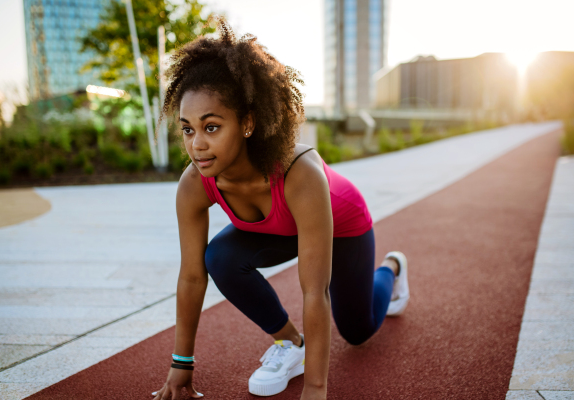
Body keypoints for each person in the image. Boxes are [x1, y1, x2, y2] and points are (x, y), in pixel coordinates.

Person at [152, 19, 410, 400]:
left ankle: (391, 268)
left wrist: (316, 389)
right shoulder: (194, 184)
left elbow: (314, 290)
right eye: (188, 129)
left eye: (211, 127)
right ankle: (291, 342)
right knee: (219, 257)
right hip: (279, 231)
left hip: (342, 225)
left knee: (357, 331)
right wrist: (181, 364)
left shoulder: (298, 174)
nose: (197, 145)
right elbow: (191, 277)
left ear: (247, 123)